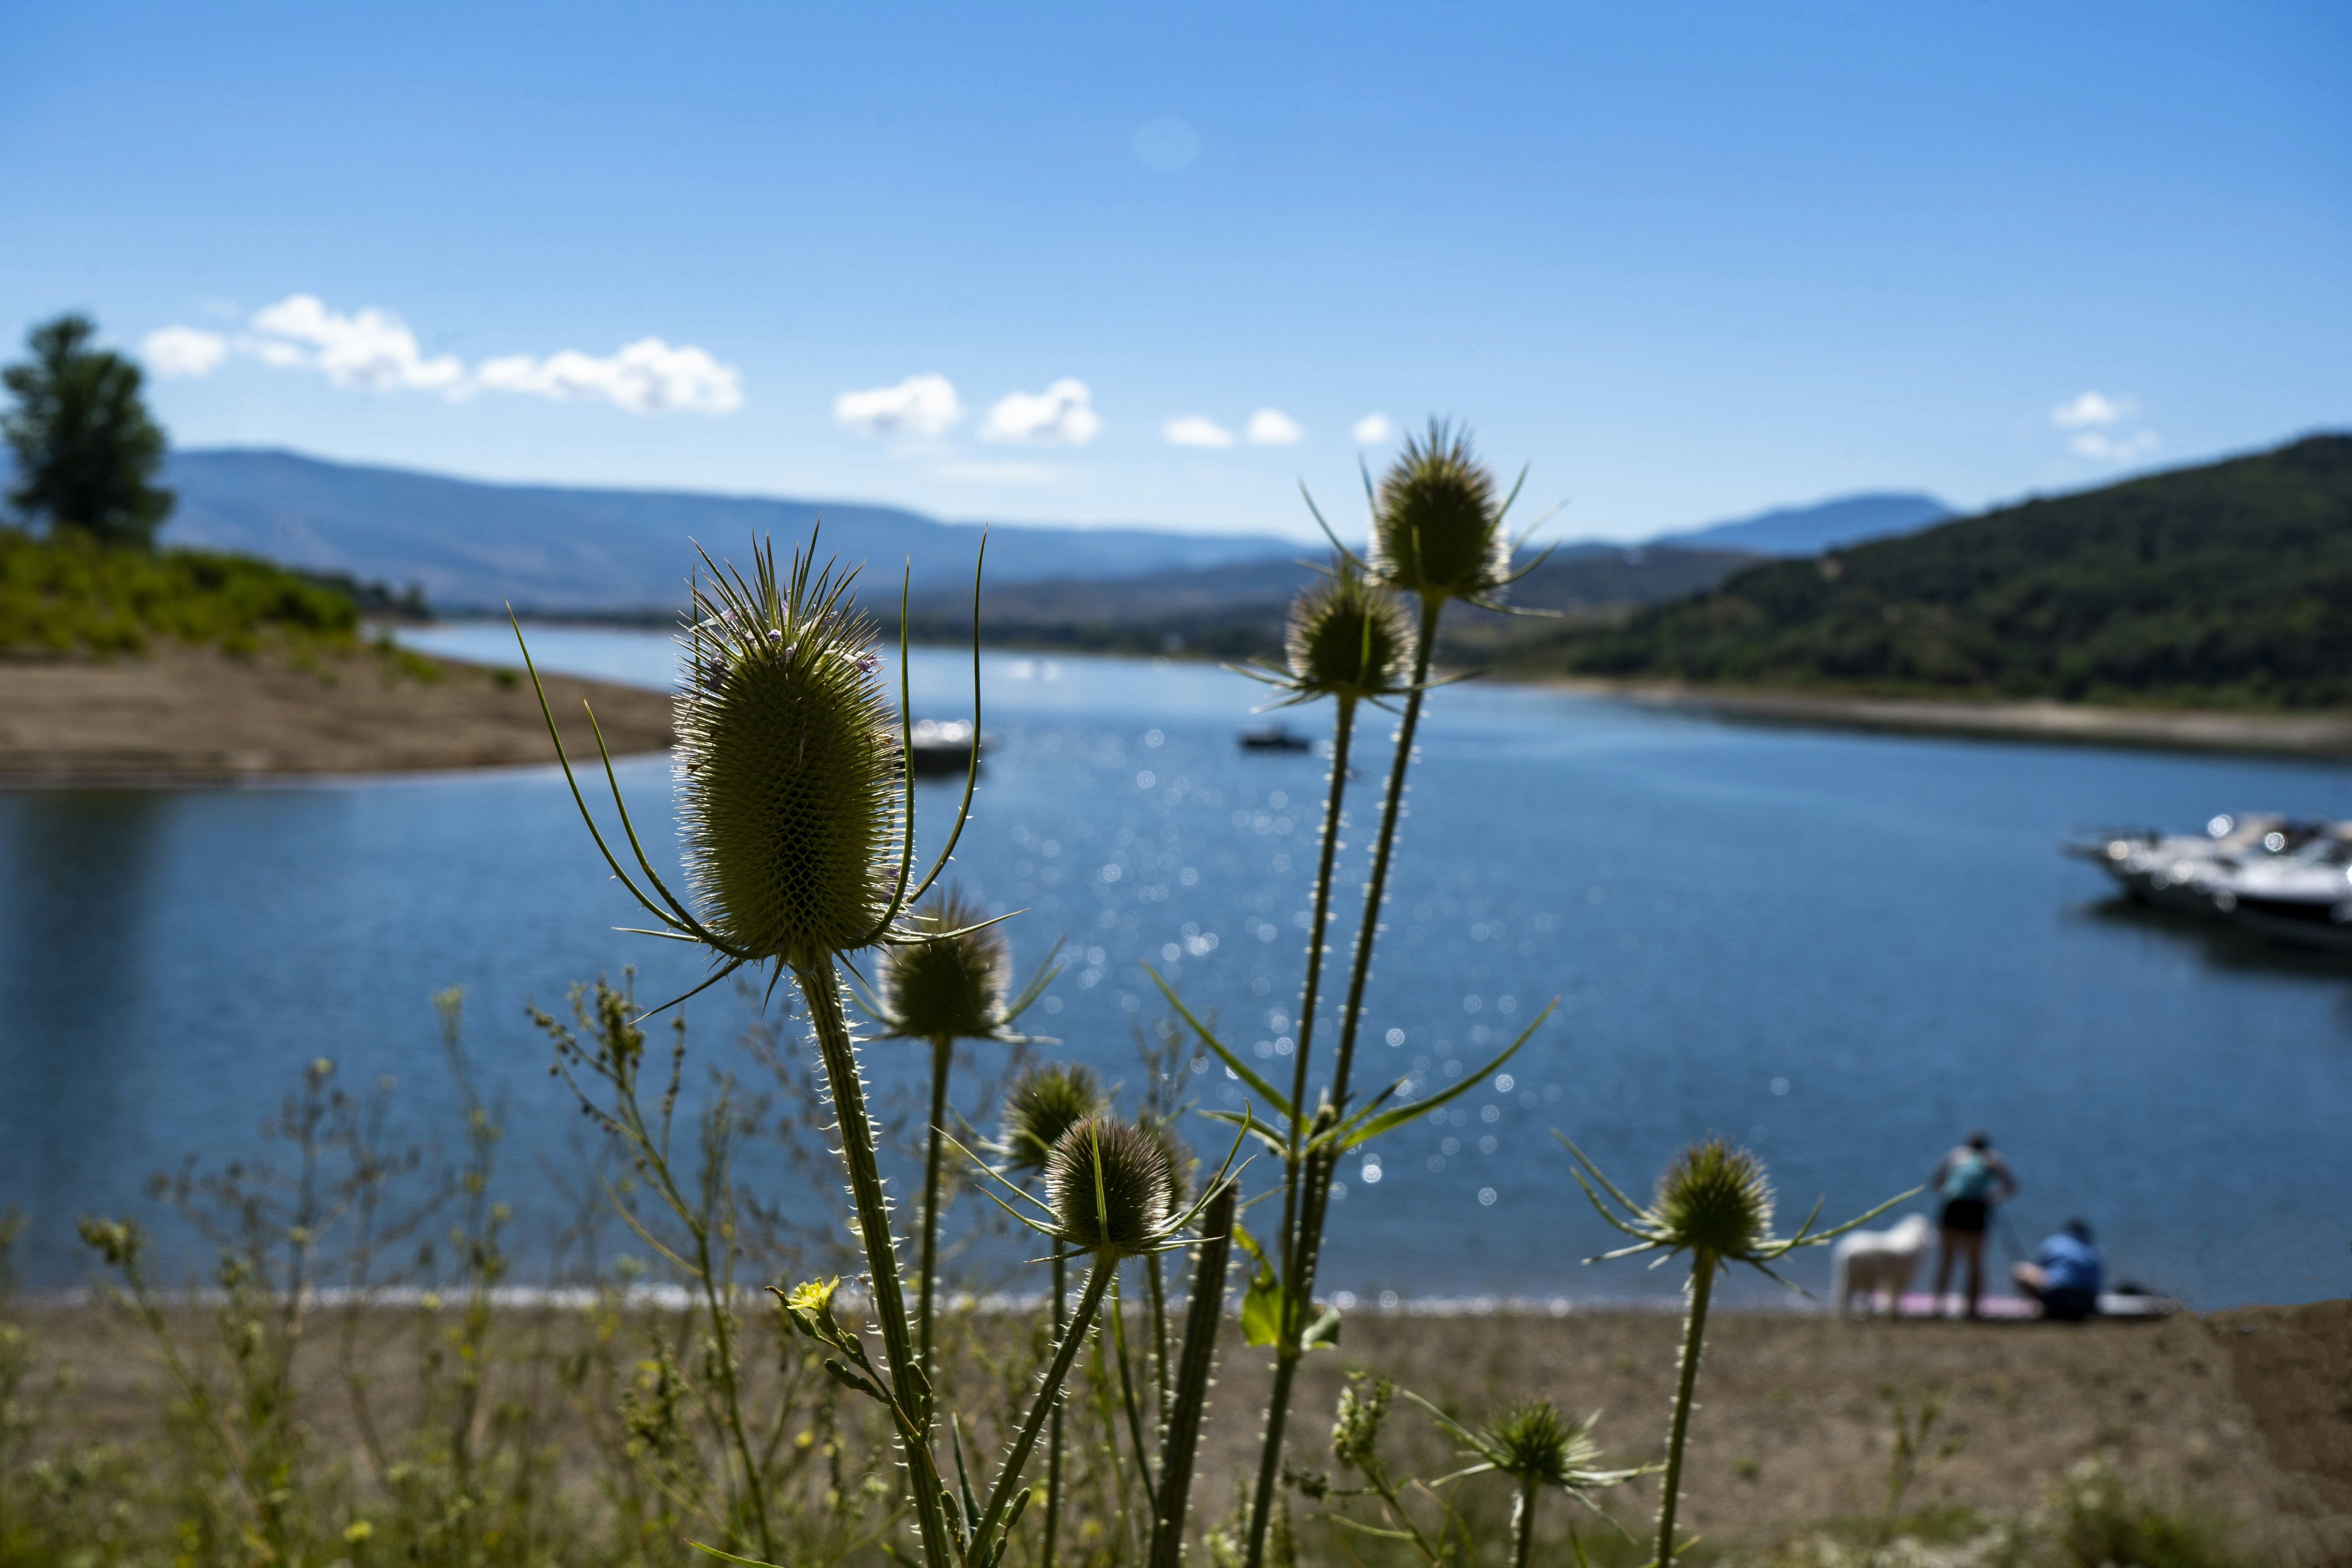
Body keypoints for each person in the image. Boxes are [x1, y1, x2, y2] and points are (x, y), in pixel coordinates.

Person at [1929, 1129, 2016, 1318]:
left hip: (1953, 1207)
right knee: (1975, 1262)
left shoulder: (1956, 1155)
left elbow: (1937, 1183)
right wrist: (1992, 1198)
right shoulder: (1992, 1158)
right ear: (1986, 1145)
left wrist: (1950, 1194)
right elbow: (2011, 1186)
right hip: (1976, 1209)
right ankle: (1972, 1310)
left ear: (1967, 1144)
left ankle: (1938, 1307)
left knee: (1946, 1261)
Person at [2014, 1220, 2103, 1321]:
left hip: (2059, 1297)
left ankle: (2047, 1309)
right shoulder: (2095, 1249)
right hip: (2088, 1301)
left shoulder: (2056, 1242)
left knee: (2021, 1270)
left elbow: (2038, 1265)